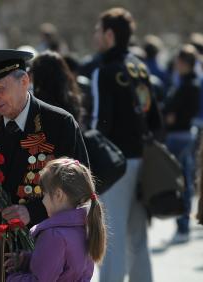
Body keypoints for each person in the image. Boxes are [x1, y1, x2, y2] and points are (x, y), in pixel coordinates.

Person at [0, 49, 89, 282]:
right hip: (3, 247)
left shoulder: (59, 123)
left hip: (49, 242)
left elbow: (80, 188)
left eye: (0, 89)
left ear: (24, 82)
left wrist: (32, 211)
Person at [91, 8, 163, 282]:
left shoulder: (105, 70)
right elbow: (154, 118)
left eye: (98, 31)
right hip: (144, 158)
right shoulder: (139, 66)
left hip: (116, 163)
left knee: (111, 236)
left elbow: (101, 124)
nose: (95, 36)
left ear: (109, 34)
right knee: (137, 235)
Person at [5, 157, 106, 281]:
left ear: (58, 195)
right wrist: (28, 260)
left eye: (45, 194)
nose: (43, 200)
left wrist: (12, 278)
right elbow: (64, 266)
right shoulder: (85, 228)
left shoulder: (54, 236)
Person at [164, 44, 201, 244]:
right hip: (183, 134)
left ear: (185, 63)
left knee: (181, 182)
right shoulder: (187, 83)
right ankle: (182, 223)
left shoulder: (188, 85)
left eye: (179, 61)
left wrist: (170, 114)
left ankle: (183, 225)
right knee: (183, 180)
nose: (175, 64)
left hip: (179, 136)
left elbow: (171, 111)